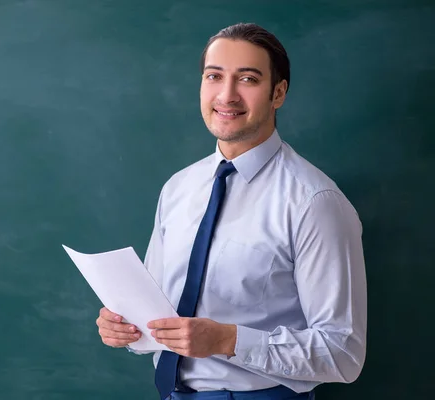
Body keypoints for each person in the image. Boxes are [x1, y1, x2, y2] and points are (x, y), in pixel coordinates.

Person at [96, 22, 367, 400]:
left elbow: (342, 354)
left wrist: (227, 339)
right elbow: (158, 313)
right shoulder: (178, 188)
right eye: (214, 76)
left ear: (278, 93)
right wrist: (127, 330)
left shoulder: (314, 202)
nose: (227, 95)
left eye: (248, 79)